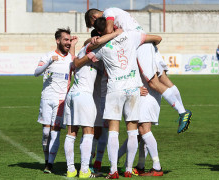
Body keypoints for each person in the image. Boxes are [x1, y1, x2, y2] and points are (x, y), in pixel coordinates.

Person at [85, 8, 192, 134]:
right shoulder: (119, 15)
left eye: (94, 26)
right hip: (145, 41)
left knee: (152, 82)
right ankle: (183, 109)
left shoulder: (108, 12)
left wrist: (102, 37)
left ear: (94, 17)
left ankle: (182, 112)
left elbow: (108, 31)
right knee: (163, 78)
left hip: (140, 45)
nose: (97, 29)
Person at [84, 17, 163, 179]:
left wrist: (99, 39)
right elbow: (157, 38)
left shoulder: (101, 46)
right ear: (112, 26)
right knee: (132, 131)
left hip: (115, 90)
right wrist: (118, 34)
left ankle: (113, 170)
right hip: (133, 88)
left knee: (113, 131)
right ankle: (128, 169)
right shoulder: (130, 36)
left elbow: (87, 49)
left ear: (98, 32)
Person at [63, 29, 122, 178]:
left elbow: (75, 61)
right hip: (84, 95)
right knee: (89, 133)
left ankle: (71, 170)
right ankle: (84, 171)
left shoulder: (85, 49)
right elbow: (79, 60)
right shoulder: (95, 51)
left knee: (71, 134)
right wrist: (116, 34)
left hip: (72, 94)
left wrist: (75, 47)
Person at [34, 27, 77, 174]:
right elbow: (36, 73)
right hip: (47, 98)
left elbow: (76, 68)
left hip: (61, 100)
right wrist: (49, 63)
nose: (68, 42)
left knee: (55, 132)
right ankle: (47, 159)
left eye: (69, 40)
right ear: (57, 40)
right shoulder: (48, 56)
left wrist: (74, 47)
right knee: (46, 133)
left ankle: (50, 164)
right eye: (66, 39)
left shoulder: (70, 59)